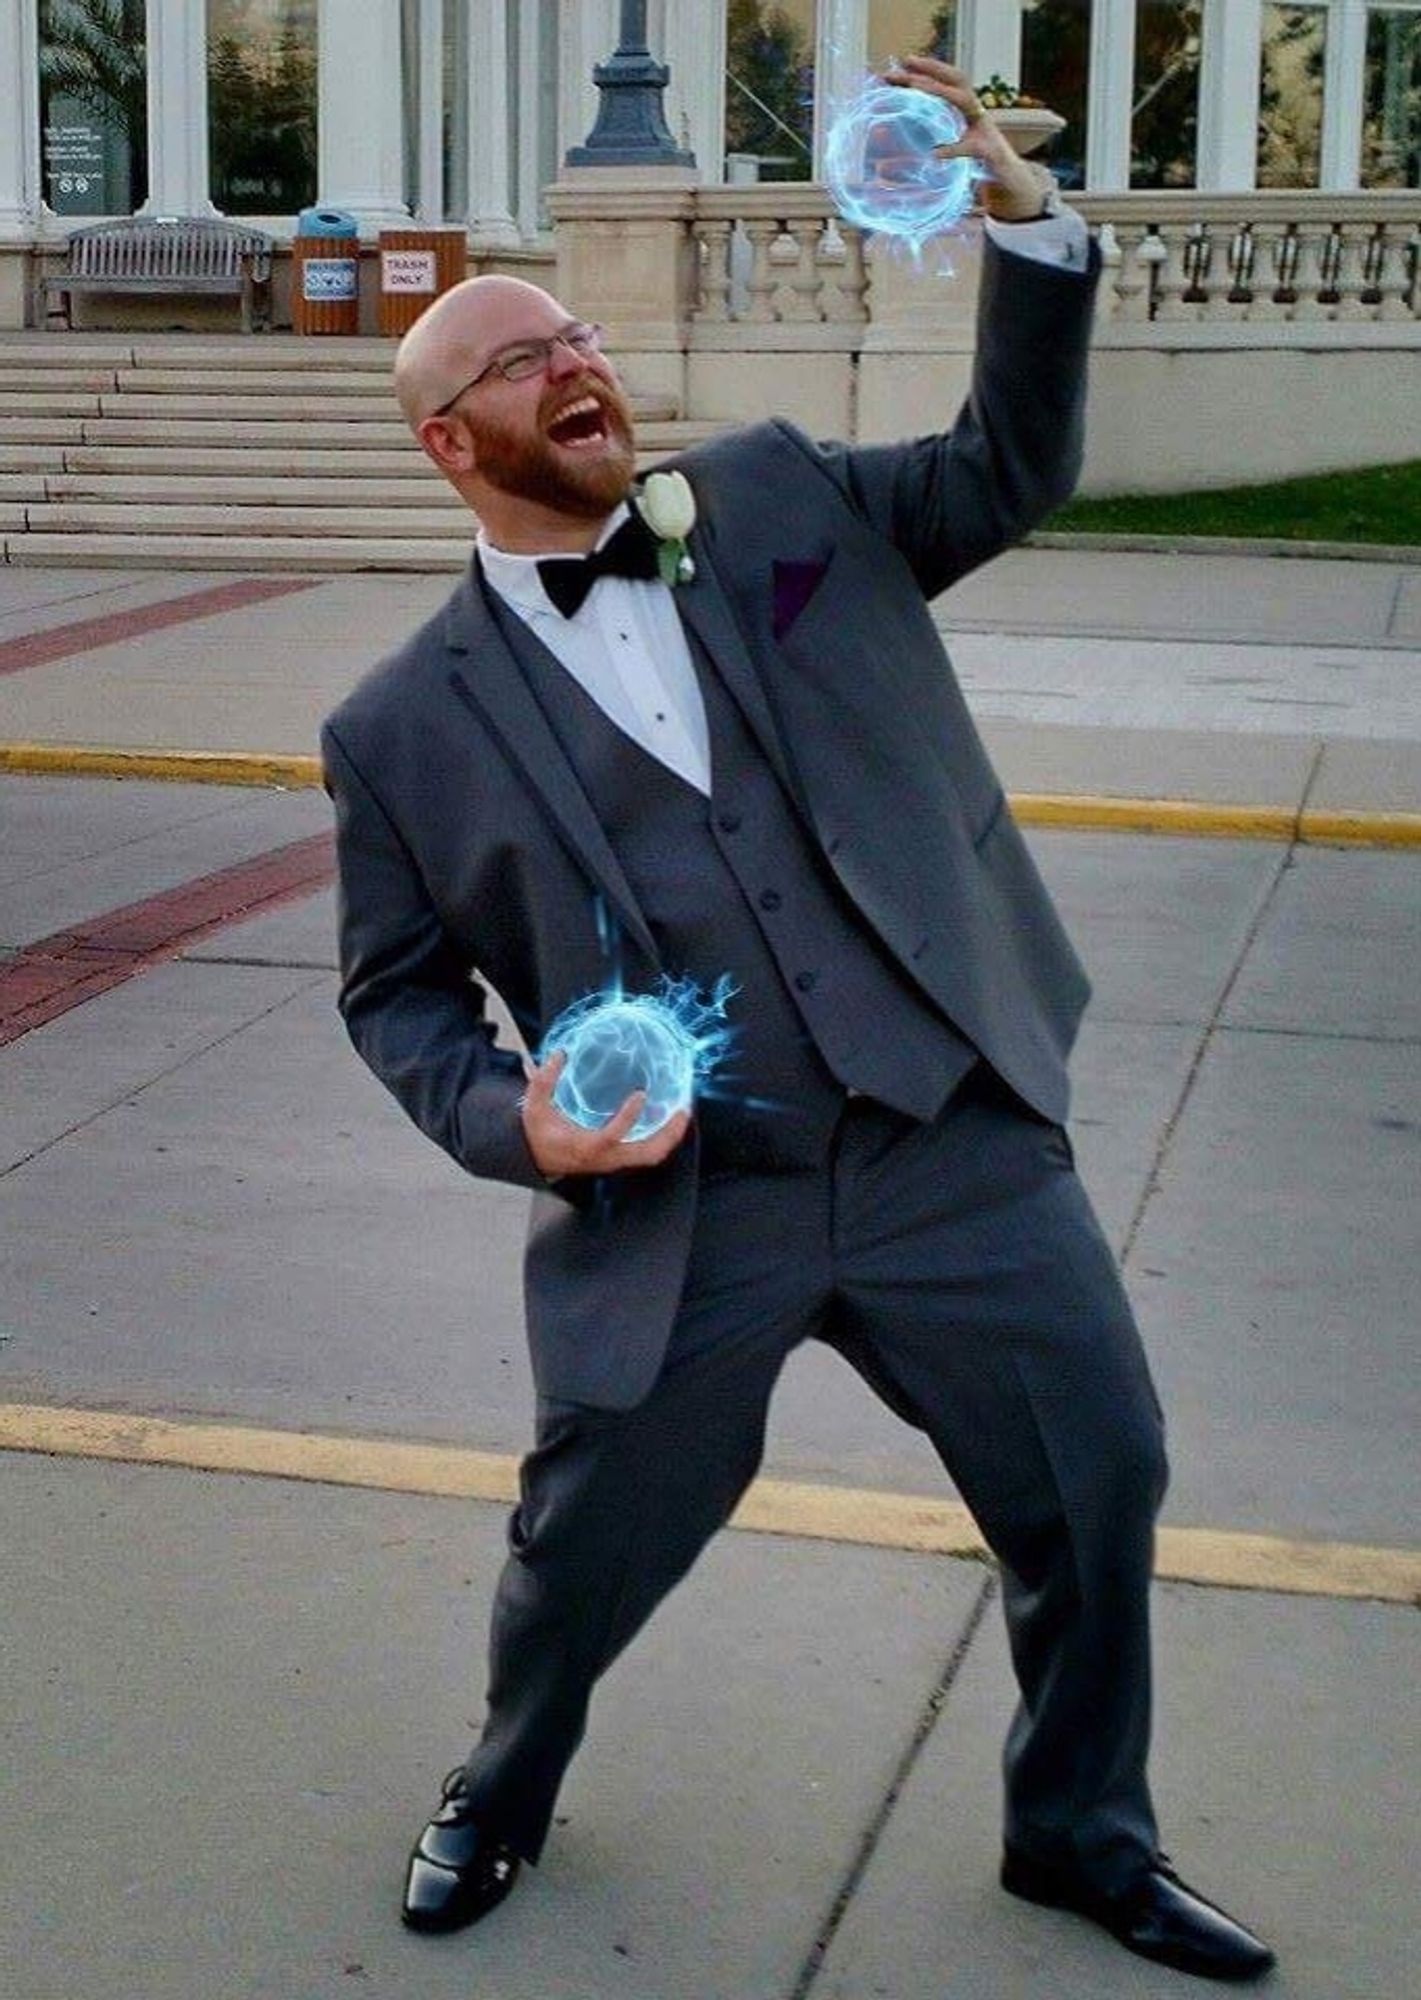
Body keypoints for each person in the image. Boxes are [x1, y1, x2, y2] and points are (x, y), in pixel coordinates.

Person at [322, 57, 1275, 1985]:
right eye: (521, 358)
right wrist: (525, 1126)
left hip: (948, 1141)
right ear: (448, 441)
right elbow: (396, 994)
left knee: (1096, 1486)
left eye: (578, 332)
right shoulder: (397, 724)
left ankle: (1079, 1832)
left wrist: (1020, 219)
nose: (574, 363)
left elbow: (1009, 463)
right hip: (698, 1204)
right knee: (580, 1556)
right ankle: (501, 1791)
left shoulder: (764, 502)